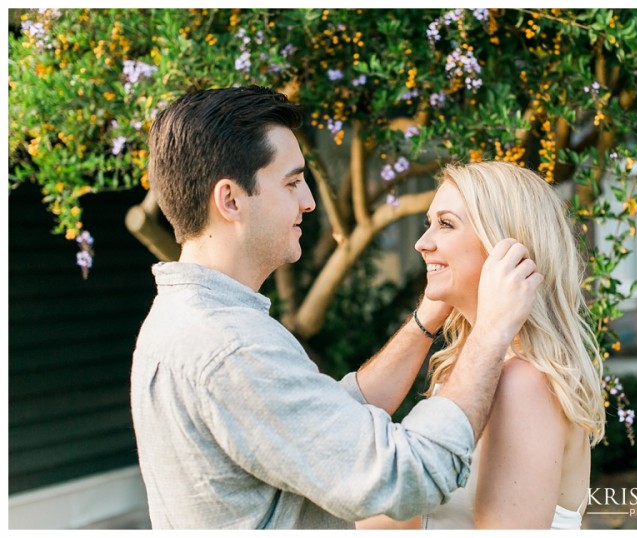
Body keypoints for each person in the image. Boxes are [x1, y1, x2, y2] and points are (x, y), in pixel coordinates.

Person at [130, 86, 544, 529]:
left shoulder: (183, 321)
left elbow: (322, 421)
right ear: (230, 200)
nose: (308, 200)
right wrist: (490, 332)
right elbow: (407, 478)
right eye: (291, 183)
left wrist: (428, 317)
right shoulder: (231, 347)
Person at [357, 161, 606, 530]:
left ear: (503, 245)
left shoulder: (524, 383)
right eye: (429, 223)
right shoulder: (472, 368)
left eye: (446, 224)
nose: (422, 243)